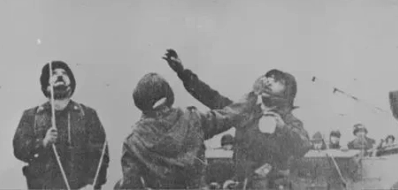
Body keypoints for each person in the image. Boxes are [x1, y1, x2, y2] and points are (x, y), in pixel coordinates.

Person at [163, 49, 311, 189]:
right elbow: (211, 97)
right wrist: (183, 73)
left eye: (277, 81)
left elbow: (304, 145)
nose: (269, 82)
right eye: (269, 77)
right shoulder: (246, 113)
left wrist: (283, 129)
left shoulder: (287, 121)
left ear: (288, 92)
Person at [119, 72, 257, 189]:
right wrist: (253, 94)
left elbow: (131, 185)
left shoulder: (132, 141)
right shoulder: (193, 119)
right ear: (168, 95)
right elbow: (228, 115)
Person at [13, 61, 110, 190]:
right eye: (53, 74)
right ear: (45, 84)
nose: (59, 75)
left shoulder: (87, 114)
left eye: (64, 73)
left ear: (71, 83)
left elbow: (100, 154)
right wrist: (43, 143)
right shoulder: (31, 116)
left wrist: (91, 184)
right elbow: (19, 149)